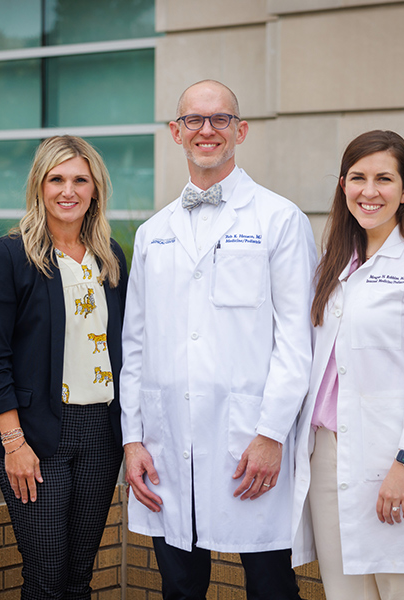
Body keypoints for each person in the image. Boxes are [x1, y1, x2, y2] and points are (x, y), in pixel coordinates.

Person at [120, 79, 316, 600]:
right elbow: (134, 343)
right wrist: (133, 437)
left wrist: (273, 433)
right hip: (168, 443)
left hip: (251, 440)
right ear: (176, 133)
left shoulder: (280, 220)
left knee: (270, 587)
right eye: (194, 121)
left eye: (220, 120)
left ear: (240, 131)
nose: (207, 130)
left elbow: (298, 341)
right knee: (180, 588)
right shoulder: (151, 233)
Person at [291, 130, 404, 599]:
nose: (369, 191)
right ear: (343, 186)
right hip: (329, 459)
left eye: (384, 179)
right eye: (358, 178)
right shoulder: (333, 263)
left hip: (397, 458)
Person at [0, 135, 128, 599]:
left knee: (79, 577)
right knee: (45, 580)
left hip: (102, 433)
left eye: (80, 179)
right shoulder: (12, 255)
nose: (69, 190)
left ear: (95, 189)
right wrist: (12, 442)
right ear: (39, 187)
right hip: (36, 437)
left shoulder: (111, 257)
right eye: (56, 178)